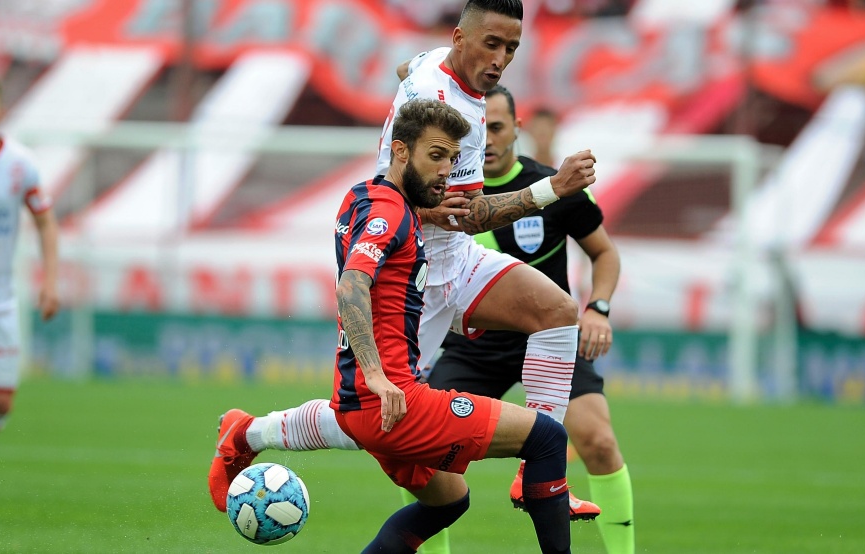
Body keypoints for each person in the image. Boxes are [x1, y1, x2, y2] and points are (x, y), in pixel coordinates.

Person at [209, 0, 600, 524]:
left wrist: (407, 99)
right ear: (462, 37)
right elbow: (469, 216)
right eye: (492, 44)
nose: (501, 59)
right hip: (419, 273)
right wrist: (553, 188)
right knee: (370, 419)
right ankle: (249, 431)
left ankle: (538, 478)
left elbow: (406, 69)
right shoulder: (451, 107)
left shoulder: (435, 61)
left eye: (511, 48)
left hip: (456, 260)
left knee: (556, 310)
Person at [416, 85, 635, 554]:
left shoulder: (554, 185)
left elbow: (604, 254)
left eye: (496, 127)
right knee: (422, 453)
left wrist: (598, 308)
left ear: (518, 128)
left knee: (597, 440)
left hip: (550, 339)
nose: (488, 138)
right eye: (479, 128)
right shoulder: (445, 191)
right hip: (477, 346)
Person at [0, 75, 60, 525]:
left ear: (1, 111)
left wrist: (50, 282)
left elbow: (46, 223)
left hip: (1, 301)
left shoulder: (21, 165)